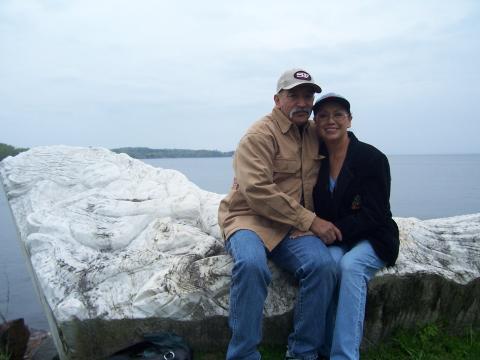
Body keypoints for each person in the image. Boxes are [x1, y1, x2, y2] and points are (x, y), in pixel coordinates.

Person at [218, 69, 340, 360]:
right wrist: (310, 221)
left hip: (290, 224)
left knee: (323, 267)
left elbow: (345, 145)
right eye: (293, 95)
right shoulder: (258, 135)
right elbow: (257, 191)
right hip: (249, 218)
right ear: (277, 100)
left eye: (308, 95)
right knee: (251, 266)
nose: (302, 102)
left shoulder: (313, 132)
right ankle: (243, 354)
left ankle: (303, 353)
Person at [311, 93, 400, 360]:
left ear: (349, 120)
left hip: (373, 236)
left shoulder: (371, 158)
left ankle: (344, 355)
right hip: (339, 239)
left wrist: (329, 229)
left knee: (351, 266)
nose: (331, 120)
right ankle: (321, 348)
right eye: (323, 115)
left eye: (338, 114)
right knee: (325, 266)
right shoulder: (317, 159)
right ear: (315, 123)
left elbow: (375, 213)